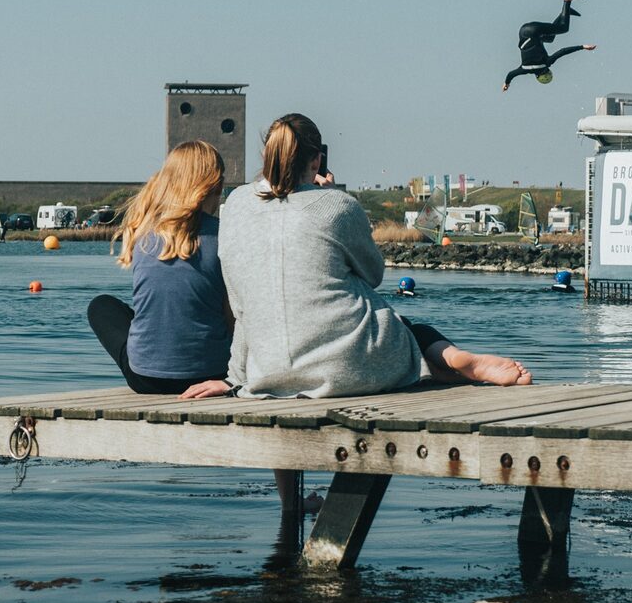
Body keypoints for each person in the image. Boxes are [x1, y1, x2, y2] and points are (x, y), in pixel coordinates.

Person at [196, 114, 530, 399]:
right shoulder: (336, 206)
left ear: (267, 156)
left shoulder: (236, 205)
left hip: (267, 373)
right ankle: (457, 361)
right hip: (349, 367)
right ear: (316, 161)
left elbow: (240, 305)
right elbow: (372, 274)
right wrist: (328, 195)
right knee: (404, 327)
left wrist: (233, 379)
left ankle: (451, 368)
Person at [86, 141, 232, 396]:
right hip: (212, 375)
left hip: (146, 378)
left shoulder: (143, 235)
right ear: (217, 185)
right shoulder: (225, 237)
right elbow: (232, 316)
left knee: (101, 305)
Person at [502, 0, 596, 91]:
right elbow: (511, 74)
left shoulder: (546, 63)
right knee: (550, 38)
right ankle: (565, 13)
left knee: (563, 28)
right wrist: (506, 83)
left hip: (535, 31)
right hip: (523, 31)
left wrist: (582, 47)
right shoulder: (524, 69)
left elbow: (563, 51)